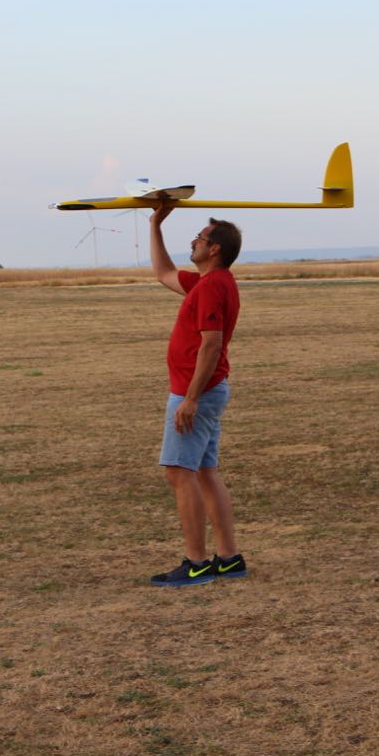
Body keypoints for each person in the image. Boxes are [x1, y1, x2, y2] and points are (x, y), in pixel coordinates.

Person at [145, 203, 247, 586]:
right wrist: (155, 224)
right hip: (206, 390)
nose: (193, 242)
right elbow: (163, 273)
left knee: (178, 472)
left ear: (214, 248)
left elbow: (211, 344)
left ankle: (196, 563)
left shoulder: (212, 287)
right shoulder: (208, 283)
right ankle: (229, 559)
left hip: (197, 393)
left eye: (200, 238)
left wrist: (190, 398)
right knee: (204, 472)